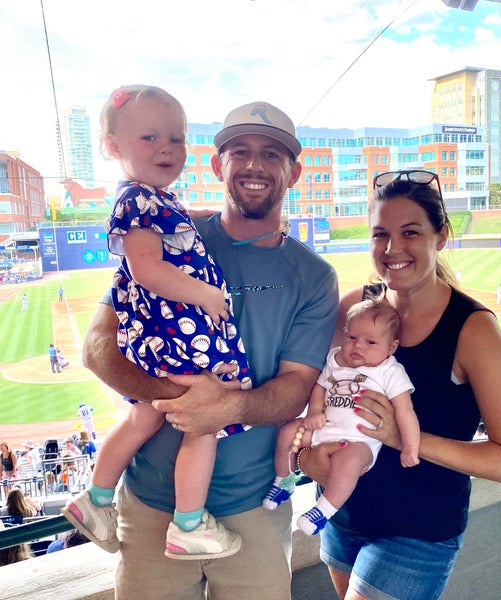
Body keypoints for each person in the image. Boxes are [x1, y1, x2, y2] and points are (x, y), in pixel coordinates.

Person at [80, 99, 338, 598]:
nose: (255, 165)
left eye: (272, 153)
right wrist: (178, 400)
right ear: (218, 165)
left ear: (295, 171)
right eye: (239, 150)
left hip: (254, 514)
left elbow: (294, 390)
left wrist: (226, 407)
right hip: (152, 506)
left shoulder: (314, 276)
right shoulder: (166, 237)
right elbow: (97, 347)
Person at [298, 169, 501, 600]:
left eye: (410, 232)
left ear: (440, 235)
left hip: (418, 535)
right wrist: (305, 456)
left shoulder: (472, 330)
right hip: (341, 517)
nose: (392, 249)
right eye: (379, 234)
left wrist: (402, 437)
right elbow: (320, 390)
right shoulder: (354, 308)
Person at [63, 85, 255, 561]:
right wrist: (207, 294)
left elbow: (178, 224)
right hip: (179, 333)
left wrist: (213, 215)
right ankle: (189, 524)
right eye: (149, 137)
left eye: (177, 137)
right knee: (208, 417)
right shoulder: (135, 200)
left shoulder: (151, 199)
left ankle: (97, 497)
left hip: (164, 333)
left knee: (143, 415)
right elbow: (148, 269)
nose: (167, 147)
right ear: (113, 146)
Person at [263, 297, 417, 536]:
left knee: (349, 462)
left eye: (371, 342)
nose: (358, 346)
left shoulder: (390, 372)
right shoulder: (335, 360)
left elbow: (406, 411)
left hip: (359, 441)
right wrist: (314, 411)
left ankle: (323, 510)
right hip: (324, 428)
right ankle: (284, 480)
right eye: (352, 337)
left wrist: (410, 446)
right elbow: (320, 387)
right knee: (287, 433)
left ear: (391, 347)